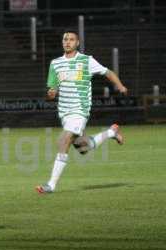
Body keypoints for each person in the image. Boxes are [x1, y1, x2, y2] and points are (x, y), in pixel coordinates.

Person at [36, 30, 128, 194]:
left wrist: (120, 86)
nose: (68, 42)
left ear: (77, 43)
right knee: (82, 147)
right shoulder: (55, 64)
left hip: (80, 109)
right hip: (64, 112)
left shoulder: (86, 61)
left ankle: (51, 185)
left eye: (71, 39)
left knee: (64, 140)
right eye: (65, 39)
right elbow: (52, 90)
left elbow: (108, 72)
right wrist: (51, 93)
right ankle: (110, 133)